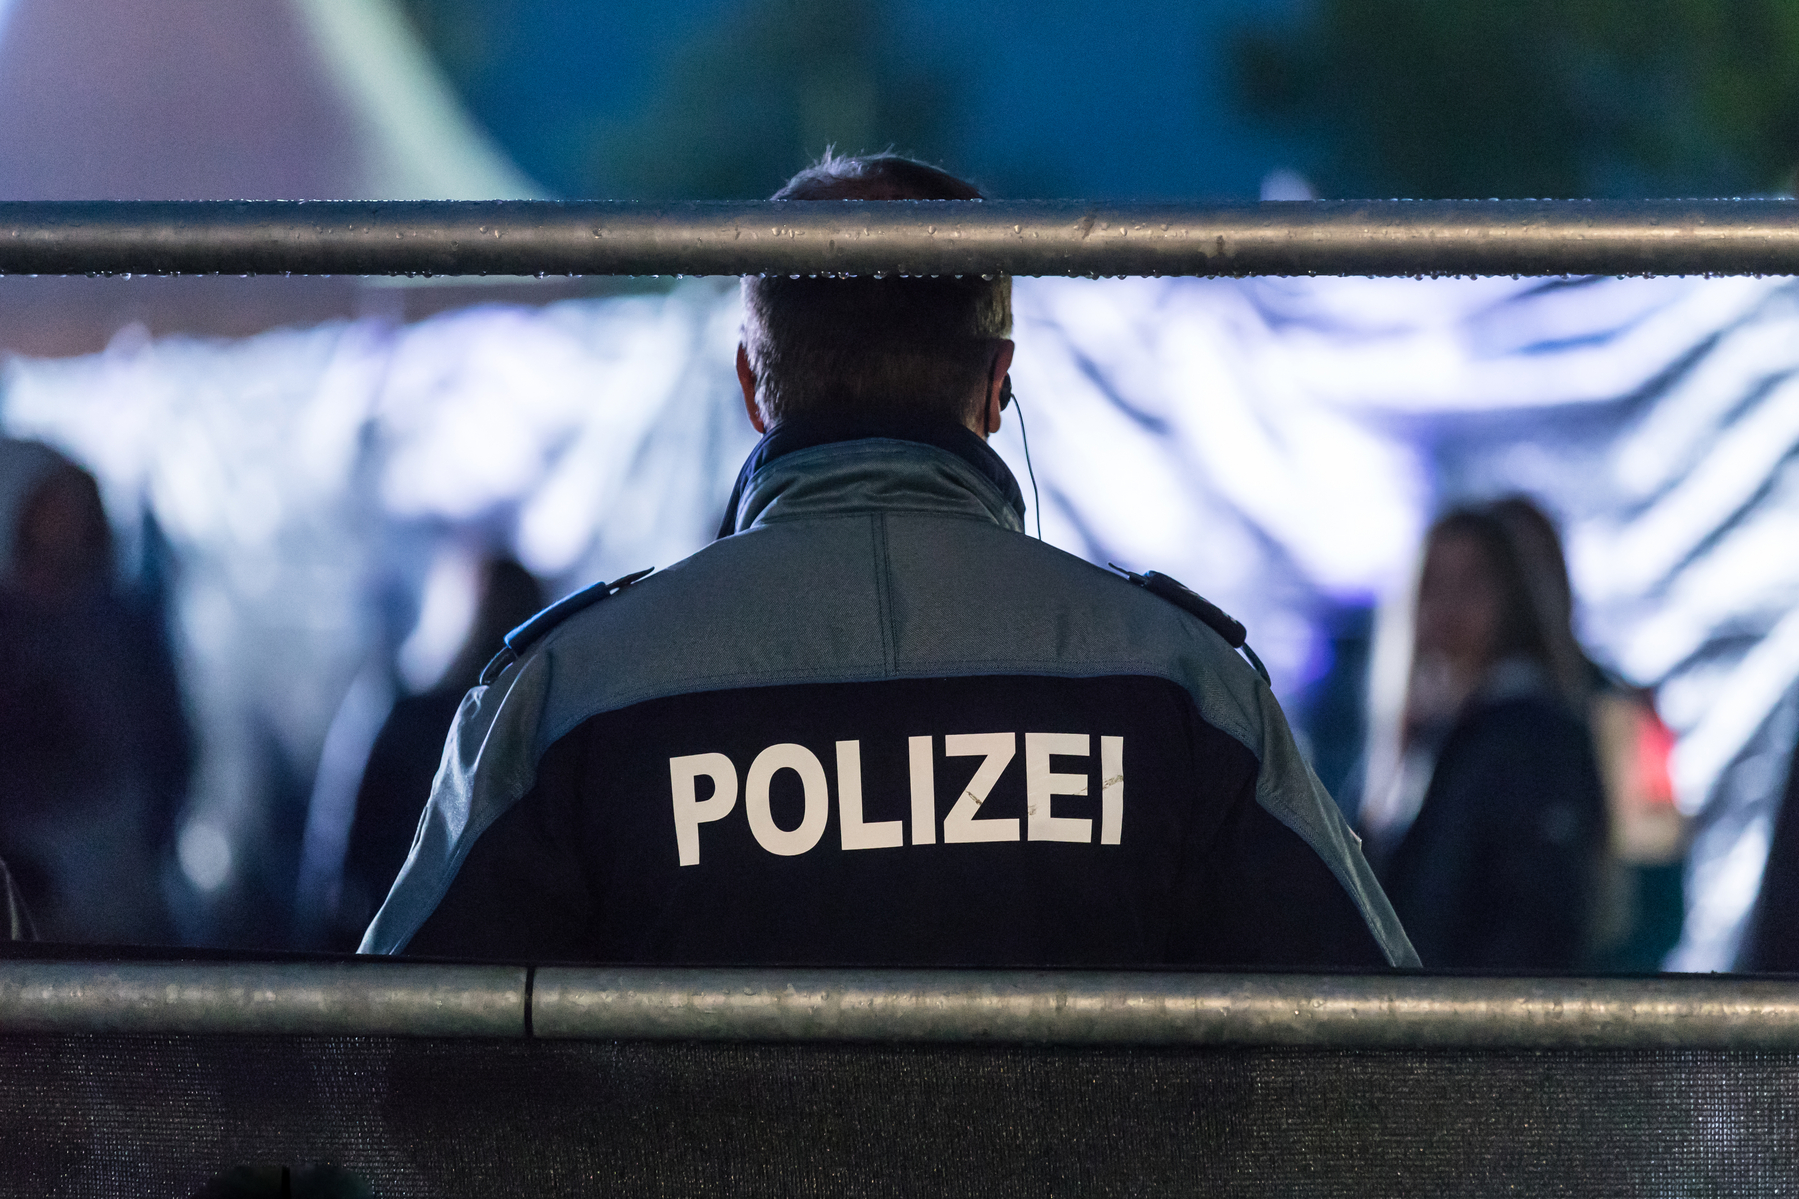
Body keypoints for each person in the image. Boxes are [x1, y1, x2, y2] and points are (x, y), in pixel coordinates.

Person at [361, 153, 1415, 969]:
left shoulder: (565, 693)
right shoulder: (1185, 686)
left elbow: (391, 1066)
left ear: (752, 385)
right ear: (997, 385)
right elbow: (1385, 1044)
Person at [1360, 503, 1607, 969]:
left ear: (1512, 597)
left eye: (1472, 583)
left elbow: (1536, 914)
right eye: (1434, 583)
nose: (1449, 605)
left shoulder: (1530, 735)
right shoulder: (1430, 734)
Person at [0, 437, 189, 944]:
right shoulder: (11, 633)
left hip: (121, 868)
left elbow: (166, 735)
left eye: (75, 506)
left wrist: (154, 824)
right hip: (31, 884)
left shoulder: (120, 622)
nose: (66, 524)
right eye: (51, 507)